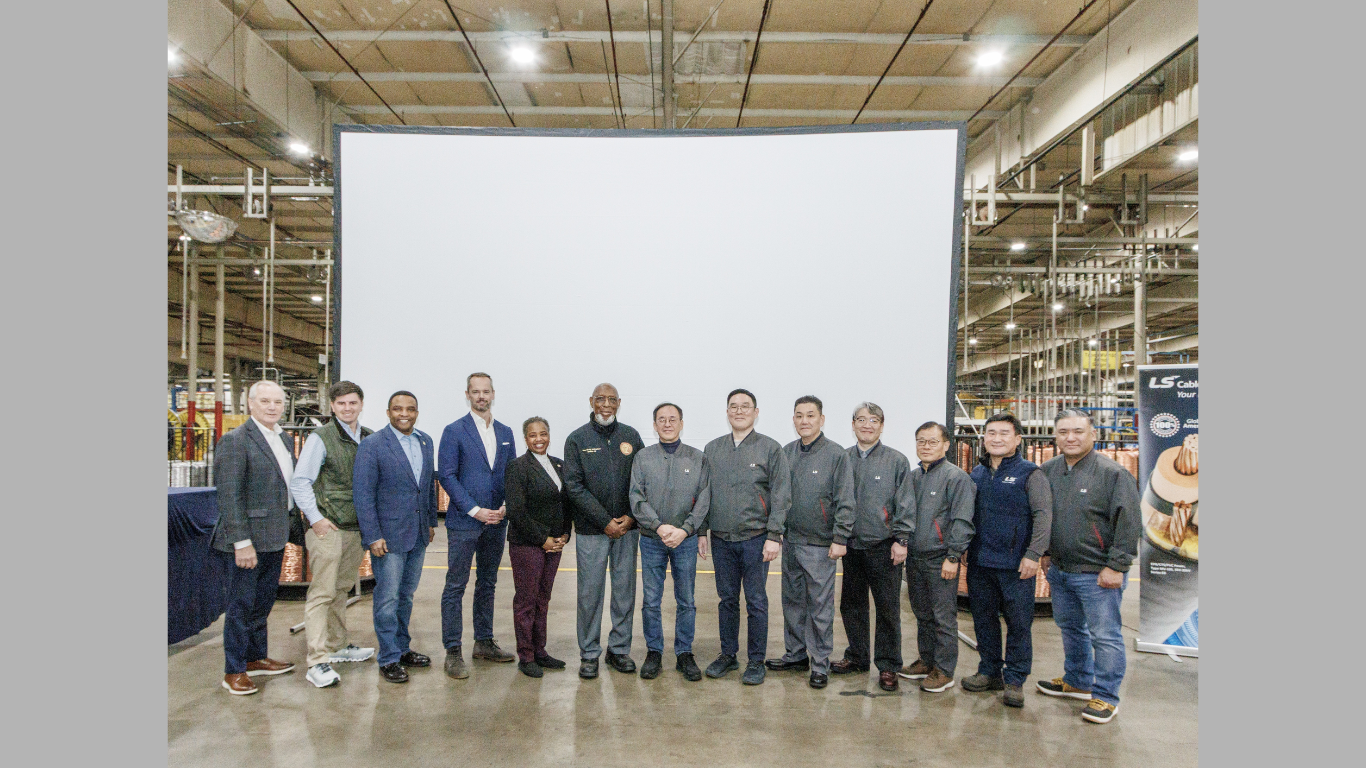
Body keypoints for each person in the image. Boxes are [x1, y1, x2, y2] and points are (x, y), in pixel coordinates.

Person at [1037, 409, 1142, 724]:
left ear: (1093, 435)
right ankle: (1078, 680)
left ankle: (1105, 697)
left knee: (1105, 635)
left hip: (1098, 573)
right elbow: (1043, 516)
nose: (1070, 437)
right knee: (1070, 627)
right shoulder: (1048, 470)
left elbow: (1129, 524)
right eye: (1063, 431)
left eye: (1078, 431)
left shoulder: (1113, 474)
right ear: (1055, 436)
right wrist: (1045, 551)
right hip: (1060, 569)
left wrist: (1117, 565)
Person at [210, 380, 299, 695]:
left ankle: (256, 658)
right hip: (246, 542)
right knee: (241, 606)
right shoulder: (235, 441)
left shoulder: (285, 439)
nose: (272, 407)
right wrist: (241, 542)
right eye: (265, 401)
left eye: (277, 402)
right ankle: (233, 670)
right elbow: (229, 496)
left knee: (262, 603)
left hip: (275, 536)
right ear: (250, 404)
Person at [289, 381, 377, 689]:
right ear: (332, 407)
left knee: (340, 590)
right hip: (329, 528)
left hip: (354, 528)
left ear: (361, 404)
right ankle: (317, 660)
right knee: (322, 593)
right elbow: (300, 482)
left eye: (353, 403)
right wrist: (316, 519)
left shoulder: (367, 437)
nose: (348, 408)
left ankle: (338, 645)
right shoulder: (321, 438)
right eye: (341, 404)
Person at [961, 412, 1053, 708]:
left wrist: (1033, 554)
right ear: (984, 438)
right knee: (984, 621)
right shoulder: (976, 473)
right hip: (980, 562)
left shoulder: (1030, 473)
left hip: (1016, 565)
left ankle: (1014, 679)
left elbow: (1043, 516)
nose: (997, 439)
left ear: (1017, 439)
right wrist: (964, 548)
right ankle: (989, 671)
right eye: (991, 433)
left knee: (1018, 623)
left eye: (1004, 433)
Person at [701, 388, 792, 686]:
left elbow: (781, 495)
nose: (739, 411)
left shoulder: (770, 448)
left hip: (756, 539)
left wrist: (774, 535)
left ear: (756, 412)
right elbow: (703, 495)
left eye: (745, 406)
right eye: (733, 406)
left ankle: (756, 661)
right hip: (722, 540)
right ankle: (728, 655)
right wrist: (702, 531)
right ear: (727, 412)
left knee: (756, 601)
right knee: (727, 599)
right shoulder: (712, 449)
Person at [769, 396, 855, 690]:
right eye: (799, 416)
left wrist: (840, 537)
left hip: (820, 546)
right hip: (791, 541)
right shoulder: (786, 452)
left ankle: (820, 664)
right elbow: (778, 497)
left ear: (822, 419)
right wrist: (776, 532)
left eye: (810, 415)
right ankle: (795, 655)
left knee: (820, 607)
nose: (804, 421)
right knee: (792, 603)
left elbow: (846, 500)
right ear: (793, 420)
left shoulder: (836, 455)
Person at [353, 391, 438, 684]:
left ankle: (403, 648)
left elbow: (427, 487)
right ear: (388, 412)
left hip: (417, 534)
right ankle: (388, 657)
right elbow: (363, 494)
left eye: (411, 409)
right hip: (387, 538)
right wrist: (372, 535)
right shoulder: (372, 445)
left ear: (417, 412)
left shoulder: (425, 441)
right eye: (398, 409)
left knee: (406, 595)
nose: (405, 414)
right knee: (387, 598)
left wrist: (429, 521)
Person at [437, 373, 518, 679]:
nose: (481, 396)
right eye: (476, 392)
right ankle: (453, 650)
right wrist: (475, 510)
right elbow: (447, 475)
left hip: (497, 522)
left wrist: (504, 508)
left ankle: (483, 641)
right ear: (467, 394)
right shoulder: (454, 431)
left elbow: (511, 474)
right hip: (464, 522)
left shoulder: (506, 432)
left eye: (486, 392)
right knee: (455, 585)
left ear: (493, 394)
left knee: (488, 583)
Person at [830, 403, 914, 693]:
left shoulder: (896, 460)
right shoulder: (841, 458)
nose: (867, 425)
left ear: (882, 426)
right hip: (851, 546)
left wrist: (901, 540)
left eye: (873, 420)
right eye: (861, 420)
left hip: (884, 547)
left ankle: (889, 665)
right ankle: (857, 656)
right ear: (852, 424)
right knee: (851, 605)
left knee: (888, 608)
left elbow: (905, 503)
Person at [563, 383, 646, 679]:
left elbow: (641, 480)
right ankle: (589, 653)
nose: (606, 404)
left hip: (627, 530)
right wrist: (604, 521)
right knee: (589, 594)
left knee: (624, 593)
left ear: (619, 403)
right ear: (591, 401)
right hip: (592, 531)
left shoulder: (631, 437)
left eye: (612, 399)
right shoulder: (576, 440)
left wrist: (630, 518)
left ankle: (619, 650)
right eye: (601, 399)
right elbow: (573, 486)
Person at [629, 402, 710, 682]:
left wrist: (685, 530)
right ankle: (654, 652)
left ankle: (684, 653)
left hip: (684, 541)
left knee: (686, 599)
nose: (667, 424)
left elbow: (703, 500)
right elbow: (636, 497)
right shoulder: (642, 458)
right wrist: (660, 526)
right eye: (661, 419)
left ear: (681, 423)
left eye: (672, 419)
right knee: (651, 600)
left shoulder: (697, 458)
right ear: (654, 425)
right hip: (652, 539)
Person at [899, 420, 976, 694]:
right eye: (921, 441)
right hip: (916, 557)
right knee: (922, 613)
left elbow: (962, 521)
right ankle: (927, 660)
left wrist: (953, 556)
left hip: (941, 558)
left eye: (932, 441)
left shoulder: (957, 478)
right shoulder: (913, 476)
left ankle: (944, 670)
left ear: (946, 445)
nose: (926, 446)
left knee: (943, 616)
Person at [503, 417, 572, 678]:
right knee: (526, 601)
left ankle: (540, 651)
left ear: (549, 435)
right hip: (528, 544)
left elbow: (566, 503)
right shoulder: (517, 467)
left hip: (555, 544)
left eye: (543, 434)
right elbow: (517, 511)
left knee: (543, 599)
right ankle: (526, 655)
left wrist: (565, 533)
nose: (539, 439)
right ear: (526, 439)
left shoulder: (559, 465)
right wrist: (543, 538)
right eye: (533, 435)